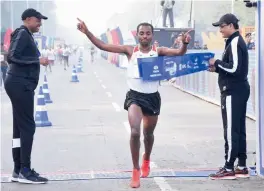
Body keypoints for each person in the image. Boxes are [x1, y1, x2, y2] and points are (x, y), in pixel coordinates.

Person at [77, 18, 191, 188]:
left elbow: (179, 53)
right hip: (135, 97)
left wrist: (184, 44)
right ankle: (135, 170)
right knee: (135, 132)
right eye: (141, 33)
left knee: (148, 135)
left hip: (152, 97)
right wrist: (87, 32)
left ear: (152, 35)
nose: (145, 36)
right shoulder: (130, 50)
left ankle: (146, 159)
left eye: (148, 33)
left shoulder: (158, 50)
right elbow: (102, 45)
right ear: (137, 35)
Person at [5, 8, 49, 184]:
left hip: (18, 83)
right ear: (28, 19)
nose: (40, 23)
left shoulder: (25, 34)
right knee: (28, 127)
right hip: (19, 83)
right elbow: (12, 57)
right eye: (38, 20)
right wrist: (37, 61)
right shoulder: (22, 33)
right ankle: (25, 170)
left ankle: (17, 169)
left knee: (19, 128)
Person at [208, 13, 250, 180]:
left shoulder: (234, 42)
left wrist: (217, 63)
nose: (220, 30)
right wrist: (217, 68)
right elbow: (233, 68)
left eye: (222, 26)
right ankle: (241, 165)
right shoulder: (234, 42)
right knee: (238, 129)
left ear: (231, 26)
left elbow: (235, 69)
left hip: (233, 91)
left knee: (231, 130)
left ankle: (228, 167)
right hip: (238, 89)